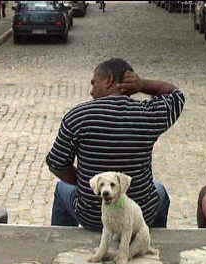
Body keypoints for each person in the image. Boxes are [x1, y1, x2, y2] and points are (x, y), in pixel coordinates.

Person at [46, 58, 186, 231]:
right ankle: (151, 240)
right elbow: (176, 95)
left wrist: (88, 183)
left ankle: (60, 241)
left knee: (62, 188)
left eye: (94, 83)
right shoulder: (147, 115)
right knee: (160, 191)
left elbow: (56, 164)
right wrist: (142, 84)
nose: (91, 91)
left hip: (93, 218)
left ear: (109, 80)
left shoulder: (77, 117)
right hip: (138, 214)